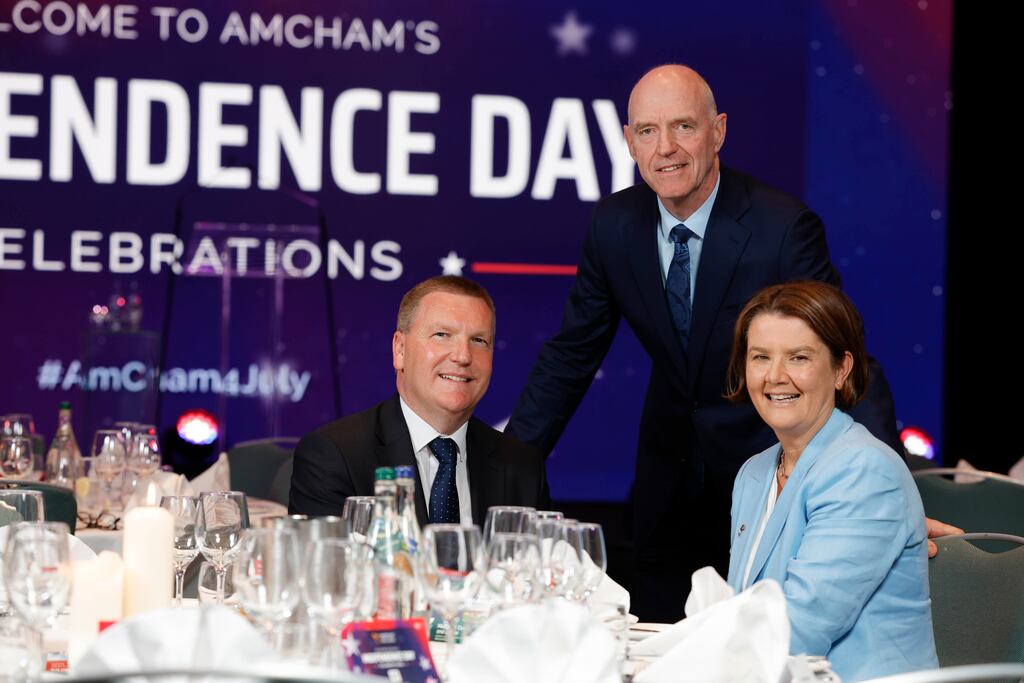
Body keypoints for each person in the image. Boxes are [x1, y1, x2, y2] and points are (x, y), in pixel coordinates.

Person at [506, 64, 903, 621]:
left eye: (683, 127)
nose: (665, 148)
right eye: (648, 131)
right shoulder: (613, 225)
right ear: (629, 142)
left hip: (768, 473)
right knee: (656, 641)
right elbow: (572, 354)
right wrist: (505, 469)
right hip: (667, 476)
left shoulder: (782, 227)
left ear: (717, 132)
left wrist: (891, 492)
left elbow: (843, 354)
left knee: (763, 638)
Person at [725, 281, 937, 682]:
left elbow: (798, 631)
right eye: (760, 357)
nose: (775, 376)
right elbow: (743, 612)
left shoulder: (864, 470)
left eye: (798, 358)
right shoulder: (755, 472)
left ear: (841, 369)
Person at [290, 275, 548, 524]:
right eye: (442, 335)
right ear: (400, 349)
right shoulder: (335, 455)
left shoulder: (523, 467)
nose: (463, 356)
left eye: (479, 340)